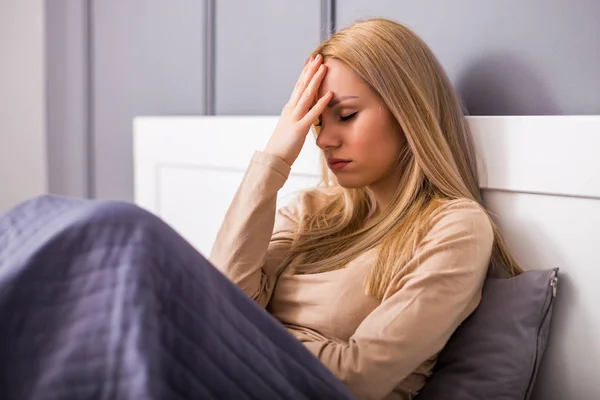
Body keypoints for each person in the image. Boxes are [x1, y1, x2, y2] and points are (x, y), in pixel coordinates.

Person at [0, 17, 521, 400]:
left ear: (409, 113)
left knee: (122, 234)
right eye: (316, 123)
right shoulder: (310, 209)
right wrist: (274, 159)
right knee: (57, 224)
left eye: (344, 115)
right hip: (239, 375)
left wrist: (248, 332)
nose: (323, 140)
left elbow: (359, 376)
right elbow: (225, 295)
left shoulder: (453, 227)